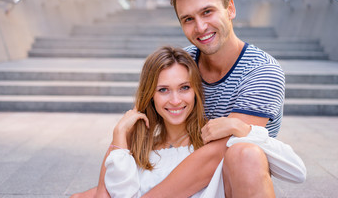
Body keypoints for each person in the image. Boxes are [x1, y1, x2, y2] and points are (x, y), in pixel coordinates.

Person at [71, 0, 292, 197]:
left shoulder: (262, 72)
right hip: (181, 165)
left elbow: (217, 154)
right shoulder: (184, 62)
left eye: (207, 12)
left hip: (229, 181)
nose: (200, 27)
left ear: (230, 9)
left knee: (243, 152)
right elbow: (136, 121)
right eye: (188, 19)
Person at [71, 46, 305, 198]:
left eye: (184, 88)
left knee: (249, 152)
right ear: (150, 95)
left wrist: (241, 128)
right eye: (163, 90)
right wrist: (119, 136)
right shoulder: (140, 152)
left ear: (196, 91)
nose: (175, 100)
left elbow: (297, 171)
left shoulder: (213, 140)